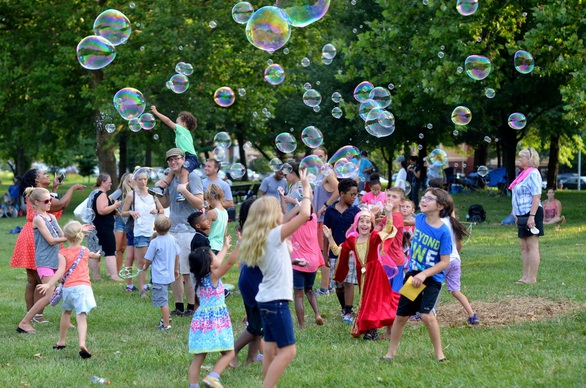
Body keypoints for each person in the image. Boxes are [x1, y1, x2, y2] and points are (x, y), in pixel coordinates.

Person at [239, 168, 311, 387]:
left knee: (269, 350)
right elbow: (305, 215)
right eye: (278, 209)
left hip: (266, 299)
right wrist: (306, 188)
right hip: (276, 301)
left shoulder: (262, 236)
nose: (283, 211)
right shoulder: (274, 235)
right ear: (271, 216)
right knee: (288, 351)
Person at [383, 188, 453, 362]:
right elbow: (405, 222)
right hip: (413, 275)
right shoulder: (420, 219)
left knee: (426, 315)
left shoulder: (443, 232)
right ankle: (390, 353)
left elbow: (445, 263)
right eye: (424, 197)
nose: (423, 200)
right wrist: (386, 215)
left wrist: (424, 275)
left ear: (440, 206)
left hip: (431, 278)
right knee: (401, 316)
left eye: (428, 199)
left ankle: (440, 355)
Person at [10, 168, 85, 323]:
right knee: (36, 280)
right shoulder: (38, 196)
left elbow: (54, 207)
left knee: (35, 280)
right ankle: (35, 315)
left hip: (36, 236)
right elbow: (62, 204)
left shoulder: (41, 195)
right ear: (36, 180)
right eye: (43, 174)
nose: (47, 175)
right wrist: (72, 188)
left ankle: (33, 314)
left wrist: (55, 189)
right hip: (36, 239)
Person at [327, 202, 400, 340]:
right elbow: (337, 251)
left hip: (376, 272)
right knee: (365, 300)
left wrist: (389, 212)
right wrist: (330, 238)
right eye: (362, 221)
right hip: (363, 274)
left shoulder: (374, 238)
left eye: (368, 222)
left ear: (372, 225)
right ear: (356, 224)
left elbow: (388, 229)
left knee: (374, 300)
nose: (364, 224)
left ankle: (372, 330)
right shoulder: (352, 240)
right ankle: (370, 329)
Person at [36, 221, 101, 358]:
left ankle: (61, 340)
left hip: (68, 288)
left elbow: (60, 271)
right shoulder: (84, 250)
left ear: (65, 235)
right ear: (81, 235)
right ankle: (82, 343)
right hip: (83, 288)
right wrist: (97, 255)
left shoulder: (62, 253)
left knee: (66, 313)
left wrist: (49, 284)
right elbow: (93, 256)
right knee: (81, 316)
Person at [157, 148, 205, 317]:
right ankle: (179, 306)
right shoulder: (171, 179)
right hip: (173, 229)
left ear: (184, 159)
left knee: (187, 271)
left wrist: (184, 190)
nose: (173, 162)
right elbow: (167, 203)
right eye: (170, 160)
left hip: (188, 230)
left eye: (176, 159)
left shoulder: (192, 177)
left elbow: (200, 203)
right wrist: (156, 193)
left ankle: (191, 307)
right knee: (174, 270)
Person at [188, 237, 237, 388]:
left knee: (198, 359)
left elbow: (219, 261)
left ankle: (193, 386)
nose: (218, 257)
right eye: (214, 255)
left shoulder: (199, 278)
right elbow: (228, 263)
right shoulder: (214, 277)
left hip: (201, 322)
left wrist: (225, 247)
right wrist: (240, 245)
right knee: (230, 353)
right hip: (215, 322)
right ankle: (213, 376)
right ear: (209, 264)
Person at [17, 187, 67, 333]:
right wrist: (73, 236)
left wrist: (77, 232)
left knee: (69, 286)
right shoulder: (38, 219)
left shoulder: (51, 217)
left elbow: (62, 234)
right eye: (46, 201)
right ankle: (24, 322)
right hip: (44, 261)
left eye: (50, 200)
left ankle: (69, 319)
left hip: (56, 260)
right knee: (50, 295)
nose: (50, 203)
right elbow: (51, 240)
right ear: (37, 202)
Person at [230, 198, 264, 368]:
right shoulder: (256, 232)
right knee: (257, 324)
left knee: (256, 322)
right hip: (254, 281)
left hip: (251, 279)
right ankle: (232, 352)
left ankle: (251, 357)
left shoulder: (251, 229)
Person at [121, 168, 164, 295]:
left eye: (145, 179)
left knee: (157, 261)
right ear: (135, 180)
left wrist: (157, 211)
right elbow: (123, 212)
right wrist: (130, 212)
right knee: (141, 262)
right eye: (140, 179)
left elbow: (162, 210)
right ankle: (142, 290)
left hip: (154, 232)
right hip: (140, 232)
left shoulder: (153, 194)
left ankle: (157, 286)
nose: (143, 182)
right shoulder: (132, 195)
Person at [323, 178, 361, 324]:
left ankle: (349, 311)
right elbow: (326, 232)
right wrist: (324, 253)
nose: (354, 197)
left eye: (356, 194)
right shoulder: (330, 211)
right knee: (338, 284)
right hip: (334, 253)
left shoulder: (355, 211)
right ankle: (344, 308)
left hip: (350, 253)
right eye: (351, 194)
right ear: (341, 194)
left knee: (349, 282)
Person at [149, 106, 199, 202]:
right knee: (172, 172)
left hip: (191, 157)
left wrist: (156, 112)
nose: (175, 124)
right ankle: (161, 189)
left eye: (177, 122)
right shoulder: (181, 134)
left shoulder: (182, 130)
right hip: (184, 157)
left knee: (184, 171)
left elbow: (168, 121)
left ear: (184, 124)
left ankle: (182, 192)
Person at [510, 147, 543, 284]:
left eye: (521, 157)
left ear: (529, 159)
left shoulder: (533, 173)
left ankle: (532, 278)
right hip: (522, 214)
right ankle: (525, 276)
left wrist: (531, 216)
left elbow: (536, 196)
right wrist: (515, 214)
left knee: (532, 245)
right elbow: (515, 196)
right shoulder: (522, 174)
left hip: (532, 212)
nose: (519, 159)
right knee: (523, 246)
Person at [440, 207, 478, 325]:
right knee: (456, 291)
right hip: (455, 260)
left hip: (442, 261)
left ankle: (424, 313)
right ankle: (472, 315)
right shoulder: (453, 224)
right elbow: (459, 244)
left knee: (430, 287)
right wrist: (454, 255)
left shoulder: (438, 223)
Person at [288, 206, 325, 329]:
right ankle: (317, 314)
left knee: (298, 295)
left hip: (298, 263)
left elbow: (285, 213)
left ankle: (302, 325)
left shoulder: (293, 223)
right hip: (312, 262)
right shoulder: (313, 218)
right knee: (309, 290)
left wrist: (283, 198)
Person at [311, 146, 340, 297]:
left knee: (324, 253)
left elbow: (338, 189)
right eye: (315, 156)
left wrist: (325, 206)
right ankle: (329, 285)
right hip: (318, 219)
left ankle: (325, 288)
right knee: (322, 252)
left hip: (325, 219)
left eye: (321, 156)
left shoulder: (327, 173)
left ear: (326, 156)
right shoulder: (317, 174)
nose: (318, 159)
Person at [143, 215, 180, 330]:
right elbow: (177, 254)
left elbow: (148, 259)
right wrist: (176, 269)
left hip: (160, 276)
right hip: (169, 275)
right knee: (163, 298)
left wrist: (145, 267)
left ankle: (166, 325)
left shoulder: (155, 242)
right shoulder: (172, 239)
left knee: (163, 301)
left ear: (154, 228)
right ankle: (165, 318)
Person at [88, 173, 123, 282]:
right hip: (103, 228)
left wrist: (114, 211)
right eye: (109, 182)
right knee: (110, 251)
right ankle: (114, 276)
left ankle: (96, 277)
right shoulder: (102, 194)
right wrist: (115, 205)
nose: (111, 184)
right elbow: (101, 210)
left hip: (94, 227)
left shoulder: (94, 193)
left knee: (95, 252)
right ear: (103, 182)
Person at [114, 172, 134, 273]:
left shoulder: (134, 192)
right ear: (127, 181)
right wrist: (115, 210)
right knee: (116, 247)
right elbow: (109, 199)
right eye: (131, 179)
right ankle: (112, 270)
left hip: (128, 223)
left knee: (122, 248)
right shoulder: (120, 191)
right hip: (119, 222)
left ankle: (119, 269)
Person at [205, 184, 228, 254]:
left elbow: (206, 232)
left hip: (210, 246)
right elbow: (225, 232)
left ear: (210, 197)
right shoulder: (225, 212)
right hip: (220, 246)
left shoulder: (211, 213)